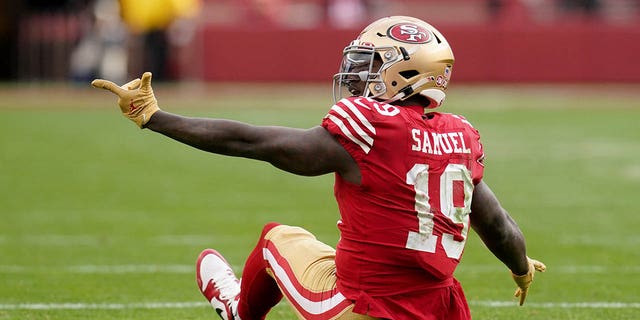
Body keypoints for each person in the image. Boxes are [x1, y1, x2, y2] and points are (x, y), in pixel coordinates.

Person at [92, 15, 546, 320]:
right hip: (440, 308)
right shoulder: (461, 134)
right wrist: (520, 266)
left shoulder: (371, 126)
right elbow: (497, 224)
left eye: (370, 64)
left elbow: (255, 142)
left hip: (366, 305)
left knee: (276, 238)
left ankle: (236, 310)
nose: (355, 75)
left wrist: (156, 118)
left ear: (406, 73)